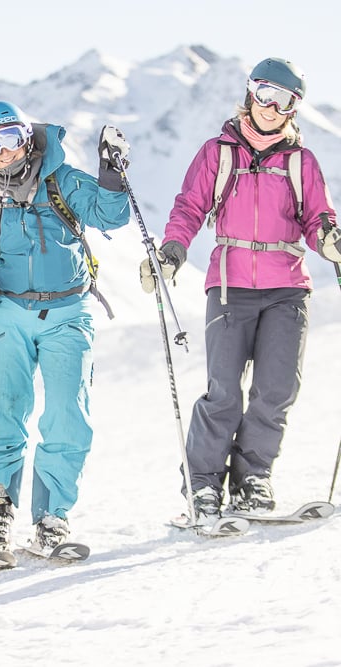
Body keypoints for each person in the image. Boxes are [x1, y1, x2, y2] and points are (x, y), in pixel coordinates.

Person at [144, 57, 336, 521]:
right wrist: (172, 250)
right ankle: (204, 484)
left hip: (287, 288)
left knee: (275, 390)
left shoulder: (301, 162)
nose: (271, 106)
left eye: (284, 99)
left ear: (294, 108)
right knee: (224, 391)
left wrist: (330, 239)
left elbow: (317, 218)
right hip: (230, 287)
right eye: (265, 93)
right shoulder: (218, 152)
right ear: (250, 93)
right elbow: (190, 207)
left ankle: (253, 478)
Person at [0, 101, 131, 558]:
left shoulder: (63, 180)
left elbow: (110, 216)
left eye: (11, 138)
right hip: (7, 311)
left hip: (68, 311)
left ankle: (52, 517)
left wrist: (112, 177)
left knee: (67, 414)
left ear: (27, 137)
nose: (4, 153)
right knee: (1, 410)